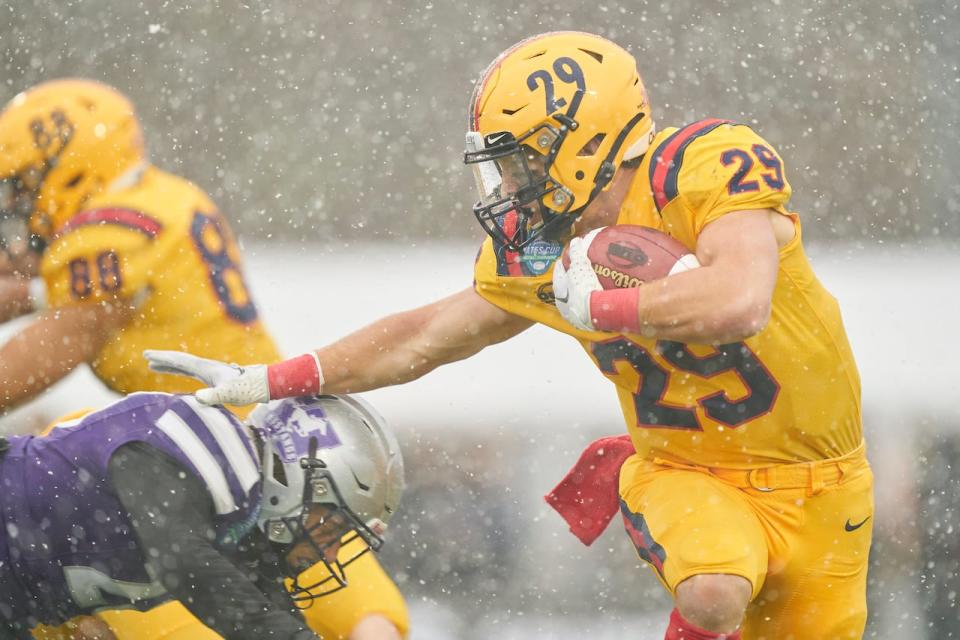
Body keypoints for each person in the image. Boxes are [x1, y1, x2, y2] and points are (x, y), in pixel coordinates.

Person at [145, 31, 872, 639]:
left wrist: (614, 310)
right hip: (686, 470)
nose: (510, 181)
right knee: (712, 593)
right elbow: (424, 338)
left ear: (583, 142)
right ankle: (639, 494)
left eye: (522, 157)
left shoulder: (701, 167)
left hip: (828, 485)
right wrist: (272, 378)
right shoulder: (546, 251)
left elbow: (741, 298)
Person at [0, 80, 408, 640]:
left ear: (68, 168)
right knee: (368, 613)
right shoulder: (165, 200)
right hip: (270, 442)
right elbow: (48, 292)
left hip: (199, 464)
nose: (20, 208)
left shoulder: (105, 234)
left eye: (24, 187)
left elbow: (60, 338)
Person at [0, 391, 405, 640]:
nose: (331, 554)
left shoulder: (239, 524)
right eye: (332, 528)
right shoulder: (199, 442)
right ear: (300, 480)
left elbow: (269, 615)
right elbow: (184, 562)